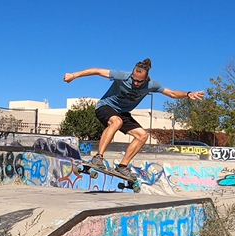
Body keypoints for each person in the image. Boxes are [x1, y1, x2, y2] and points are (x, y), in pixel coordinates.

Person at [64, 58, 205, 180]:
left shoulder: (152, 85)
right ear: (132, 74)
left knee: (142, 135)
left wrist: (188, 94)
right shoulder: (123, 76)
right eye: (134, 80)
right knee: (117, 122)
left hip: (123, 112)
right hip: (105, 107)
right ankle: (98, 158)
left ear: (146, 78)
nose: (136, 83)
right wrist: (73, 75)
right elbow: (97, 71)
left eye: (139, 81)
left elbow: (172, 93)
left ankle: (122, 166)